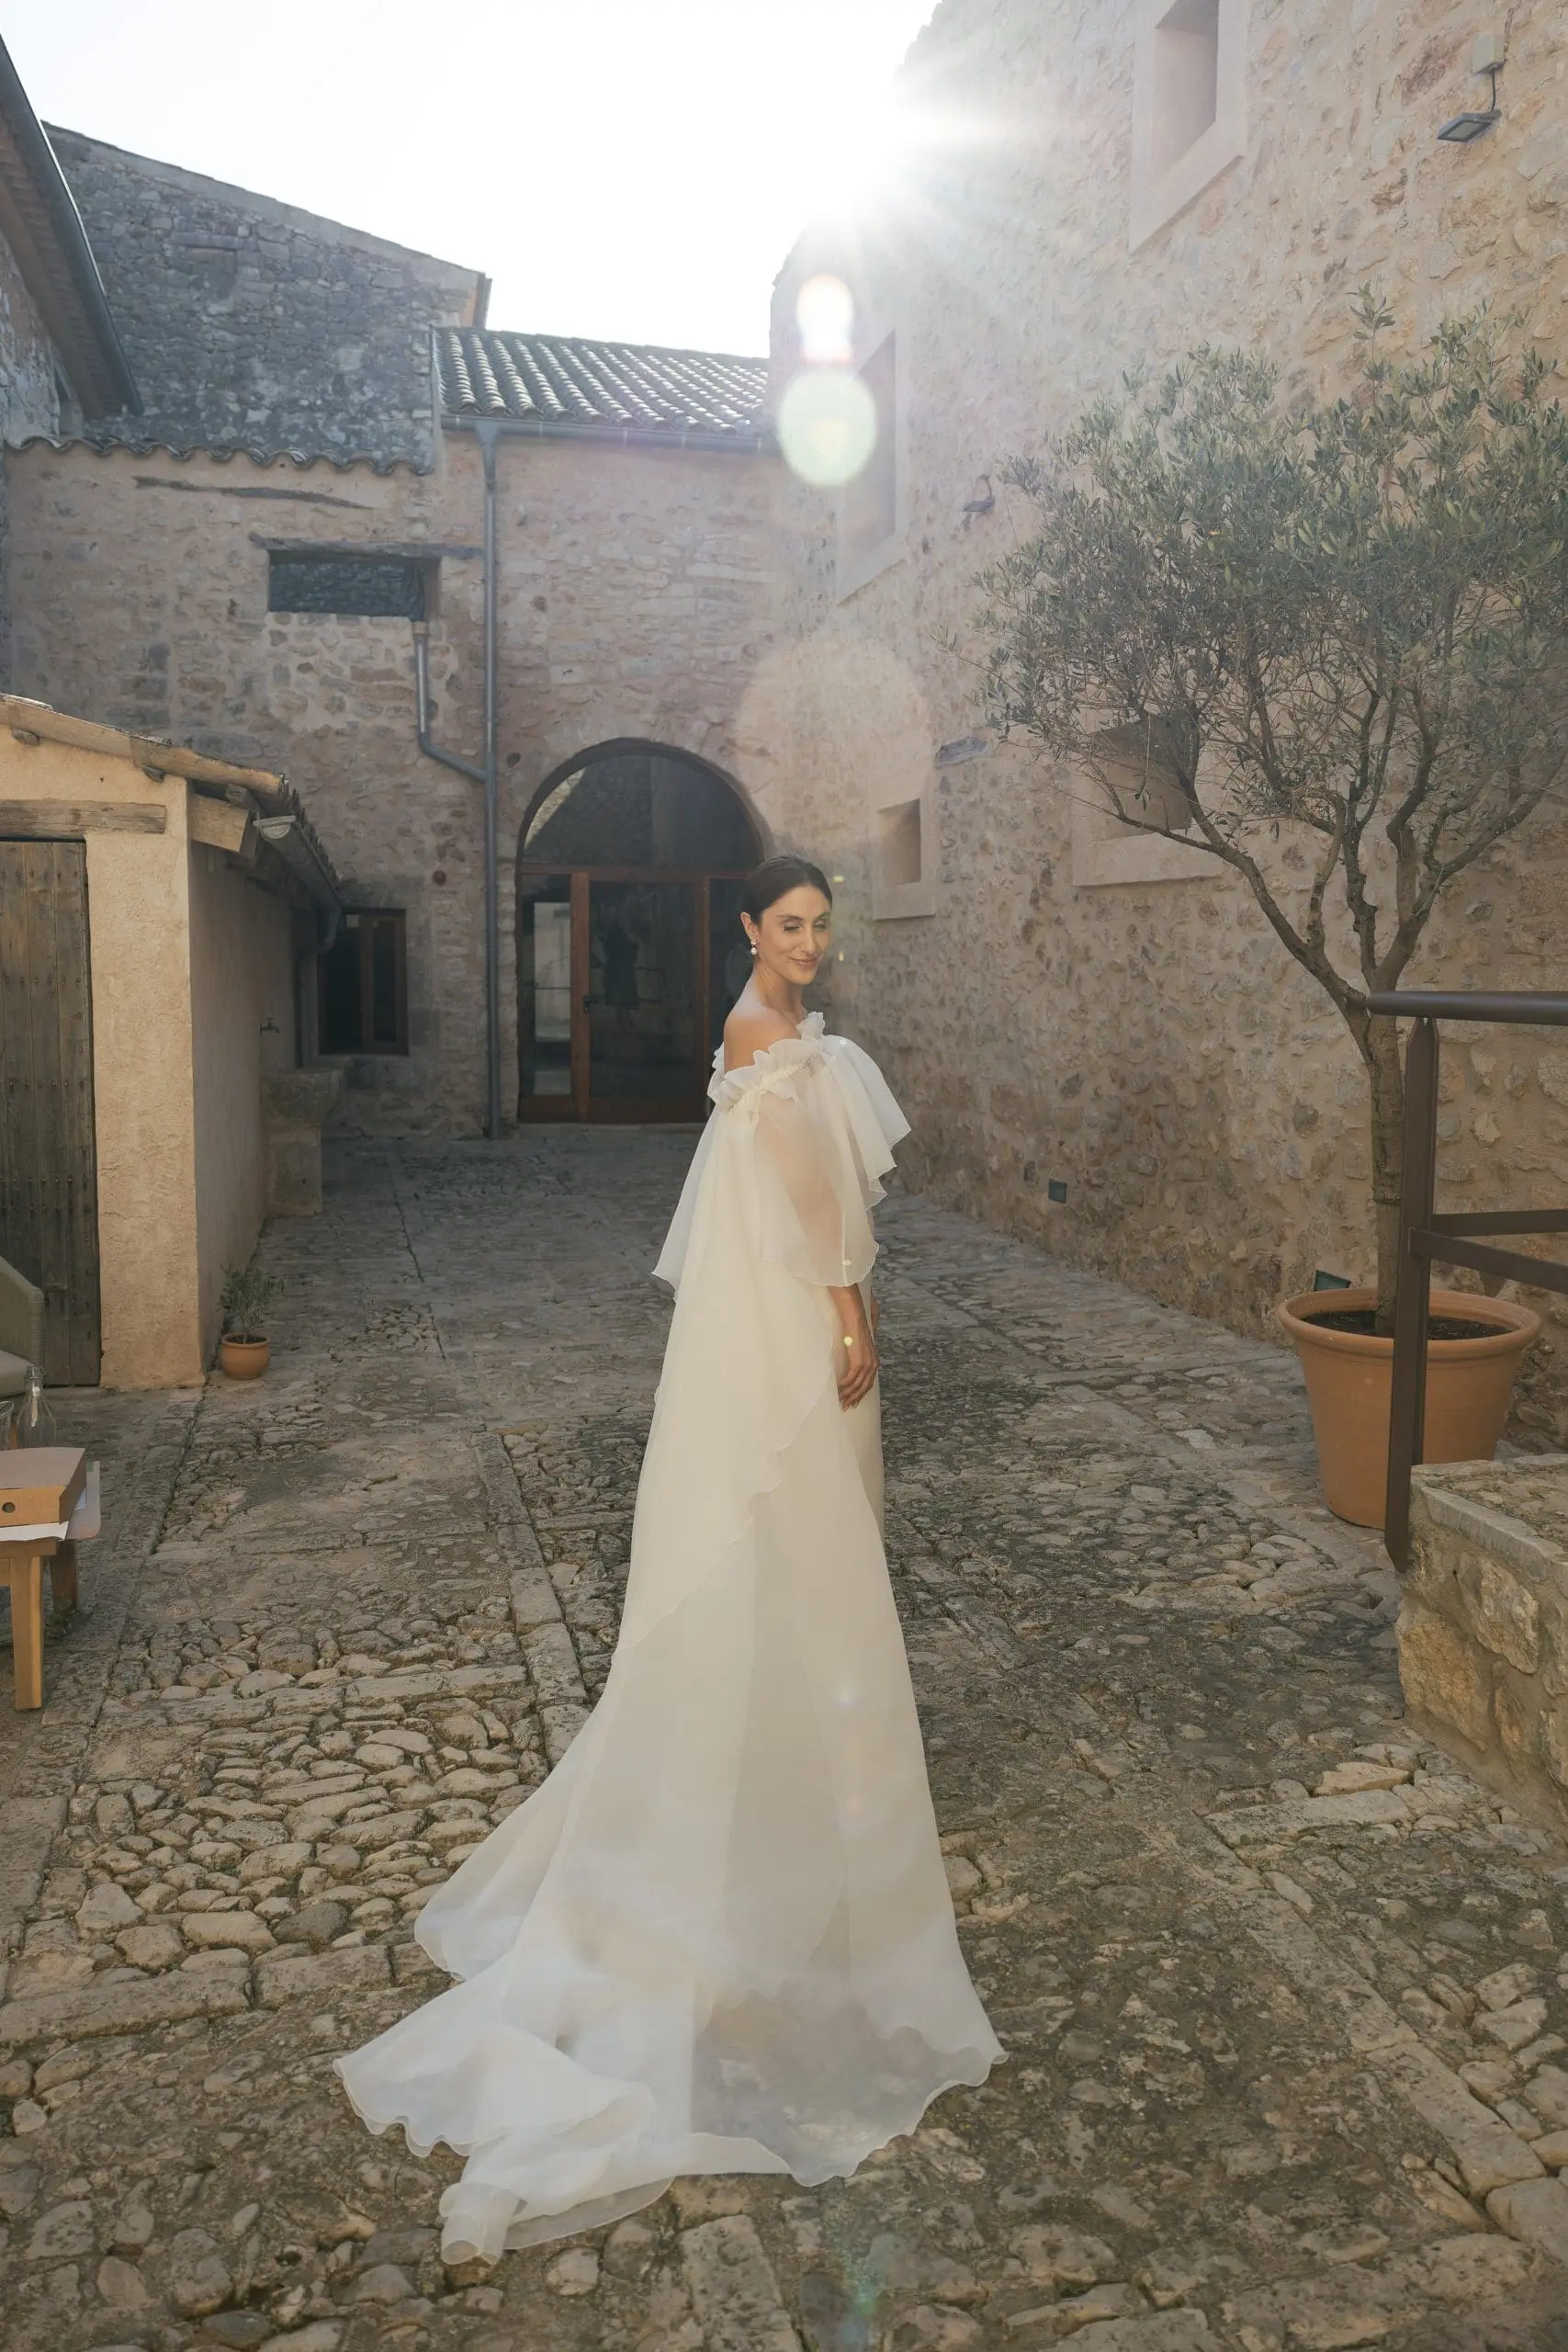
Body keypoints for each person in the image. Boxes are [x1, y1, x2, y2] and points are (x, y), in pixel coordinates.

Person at [337, 854, 1001, 2262]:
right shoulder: (766, 1040)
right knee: (791, 1525)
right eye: (790, 923)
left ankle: (774, 1755)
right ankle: (770, 1802)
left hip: (749, 1322)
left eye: (825, 923)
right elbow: (809, 1207)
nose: (810, 942)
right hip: (783, 1324)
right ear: (754, 930)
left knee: (781, 1541)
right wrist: (849, 1323)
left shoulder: (768, 1030)